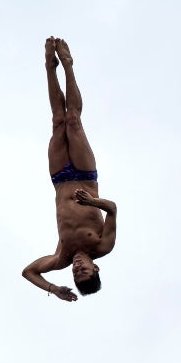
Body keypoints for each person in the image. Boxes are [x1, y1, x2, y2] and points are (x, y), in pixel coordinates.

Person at [22, 37, 117, 302]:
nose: (77, 268)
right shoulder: (103, 246)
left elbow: (28, 272)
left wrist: (54, 289)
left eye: (76, 275)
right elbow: (112, 209)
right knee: (73, 121)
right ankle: (68, 65)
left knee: (58, 120)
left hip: (61, 179)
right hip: (85, 177)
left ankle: (49, 67)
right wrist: (92, 201)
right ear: (95, 267)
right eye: (85, 270)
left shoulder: (61, 257)